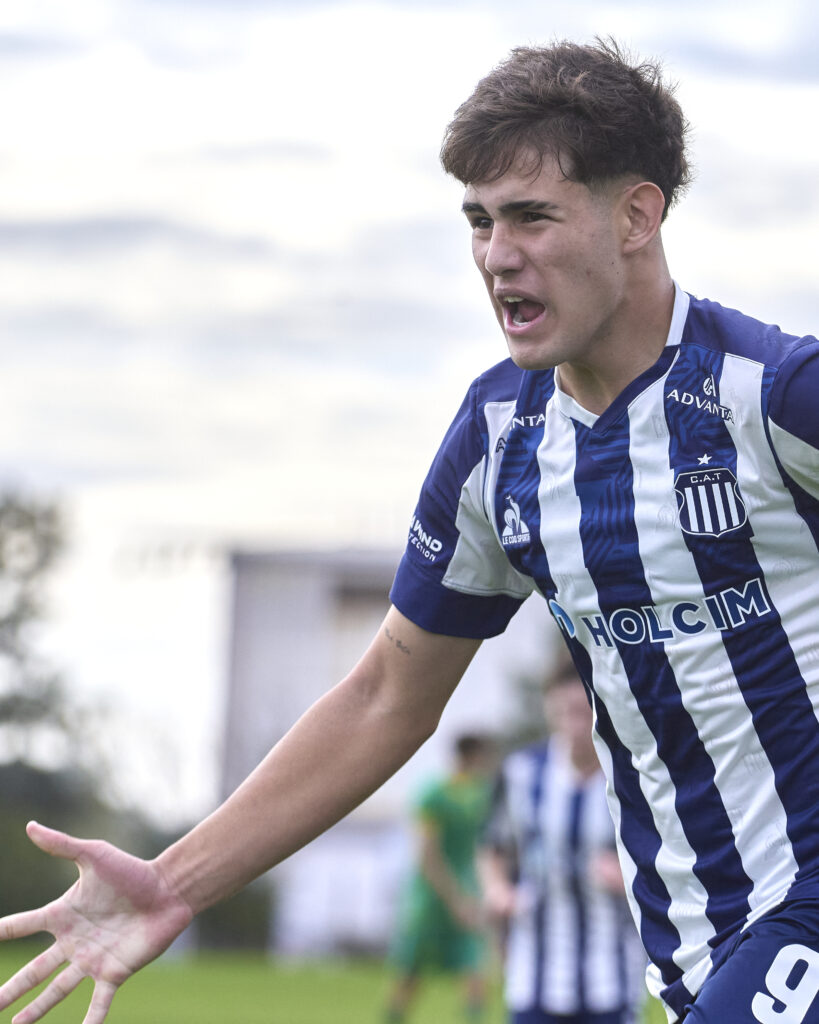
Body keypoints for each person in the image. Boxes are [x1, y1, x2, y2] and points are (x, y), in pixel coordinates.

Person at [1, 35, 819, 1024]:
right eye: (479, 220)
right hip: (696, 944)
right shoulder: (500, 442)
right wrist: (173, 882)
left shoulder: (774, 397)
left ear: (636, 216)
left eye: (531, 216)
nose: (497, 254)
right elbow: (385, 696)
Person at [479, 661, 646, 1024]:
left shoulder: (633, 777)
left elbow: (667, 862)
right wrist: (498, 890)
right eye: (565, 711)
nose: (575, 723)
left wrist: (630, 880)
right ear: (549, 708)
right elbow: (494, 846)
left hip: (611, 974)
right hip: (534, 974)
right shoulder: (522, 772)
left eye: (583, 712)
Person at [385, 733, 495, 1023]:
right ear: (471, 756)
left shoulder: (482, 794)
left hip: (467, 891)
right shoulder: (434, 794)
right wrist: (455, 899)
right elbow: (427, 855)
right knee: (412, 970)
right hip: (430, 897)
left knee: (474, 964)